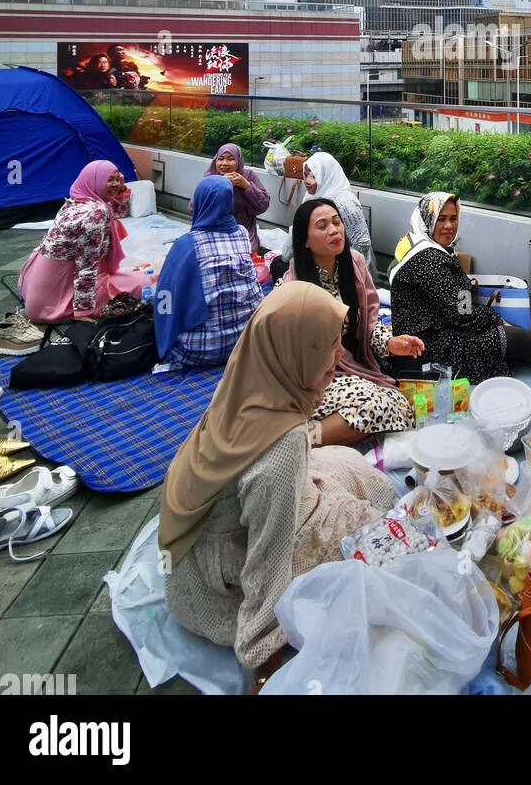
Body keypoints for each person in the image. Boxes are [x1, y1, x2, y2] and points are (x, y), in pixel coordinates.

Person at [159, 283, 395, 690]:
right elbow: (268, 559)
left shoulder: (252, 372)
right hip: (219, 583)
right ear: (297, 349)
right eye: (328, 345)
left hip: (188, 559)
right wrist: (262, 661)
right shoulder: (282, 446)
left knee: (356, 468)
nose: (339, 355)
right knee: (381, 535)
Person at [388, 192, 531, 388]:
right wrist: (497, 320)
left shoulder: (420, 245)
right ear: (427, 221)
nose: (449, 226)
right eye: (441, 219)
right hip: (430, 352)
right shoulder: (429, 260)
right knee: (515, 338)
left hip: (437, 336)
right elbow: (462, 314)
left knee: (520, 341)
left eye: (453, 218)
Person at [279, 197, 418, 444]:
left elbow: (369, 323)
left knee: (400, 405)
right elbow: (288, 355)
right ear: (305, 240)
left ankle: (311, 431)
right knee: (378, 404)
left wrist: (390, 343)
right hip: (310, 380)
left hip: (350, 366)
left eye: (336, 222)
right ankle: (302, 442)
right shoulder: (293, 287)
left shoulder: (354, 264)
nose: (334, 230)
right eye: (322, 226)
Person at [15, 160, 142, 331]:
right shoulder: (96, 213)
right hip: (50, 304)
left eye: (117, 179)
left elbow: (116, 211)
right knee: (139, 281)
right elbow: (87, 267)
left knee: (126, 274)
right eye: (109, 180)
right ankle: (76, 307)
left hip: (34, 289)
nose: (116, 184)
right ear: (93, 181)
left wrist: (118, 187)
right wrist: (83, 312)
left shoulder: (75, 201)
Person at [155, 177, 263, 371]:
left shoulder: (187, 244)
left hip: (197, 351)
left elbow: (166, 295)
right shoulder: (241, 233)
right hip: (246, 341)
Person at [278, 152, 375, 281]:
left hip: (342, 268)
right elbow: (298, 233)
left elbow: (361, 243)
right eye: (305, 175)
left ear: (326, 176)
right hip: (316, 261)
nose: (307, 181)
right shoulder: (311, 197)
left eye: (313, 176)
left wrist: (347, 272)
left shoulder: (345, 203)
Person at [193, 143, 269, 255]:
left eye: (230, 159)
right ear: (215, 161)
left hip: (244, 235)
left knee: (246, 252)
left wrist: (246, 185)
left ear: (238, 161)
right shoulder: (210, 178)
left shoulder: (248, 175)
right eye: (221, 159)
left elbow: (263, 205)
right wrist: (220, 185)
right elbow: (194, 207)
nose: (224, 163)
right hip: (213, 232)